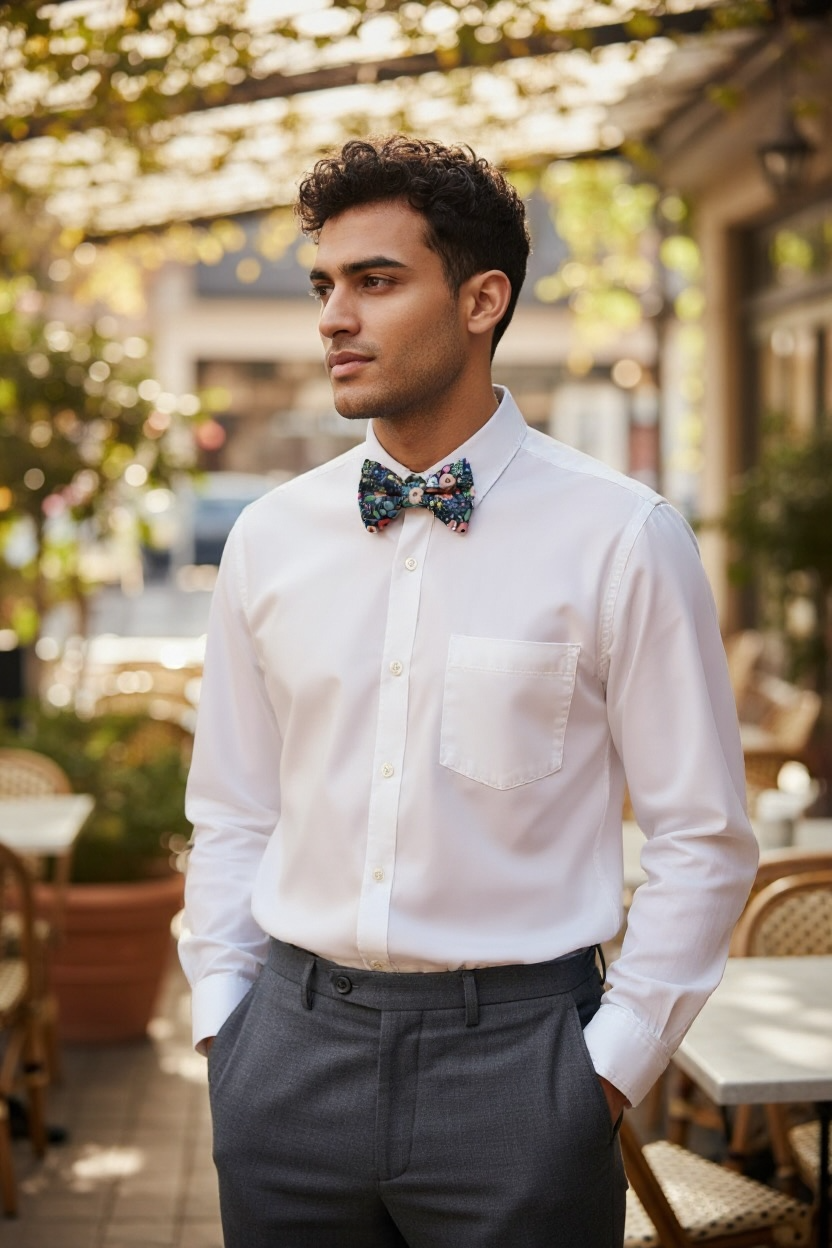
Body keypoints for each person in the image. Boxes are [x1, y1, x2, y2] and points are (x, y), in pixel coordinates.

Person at [179, 136, 758, 1248]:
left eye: (376, 281)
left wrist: (603, 1071)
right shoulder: (267, 539)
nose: (333, 318)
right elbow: (234, 811)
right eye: (324, 285)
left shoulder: (622, 538)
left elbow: (701, 837)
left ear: (482, 298)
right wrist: (223, 1028)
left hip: (520, 1067)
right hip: (286, 1064)